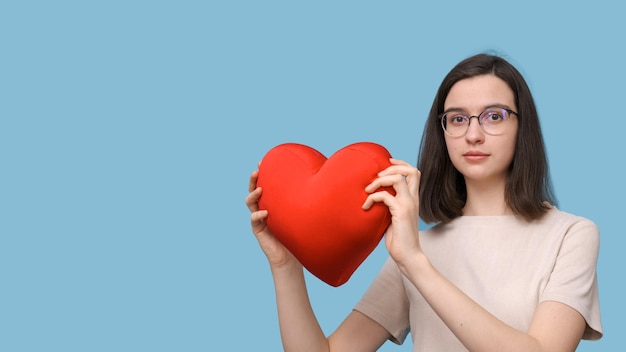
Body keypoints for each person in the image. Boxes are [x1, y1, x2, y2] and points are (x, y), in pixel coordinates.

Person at [245, 53, 603, 351]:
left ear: (522, 127)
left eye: (494, 116)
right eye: (457, 119)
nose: (473, 134)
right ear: (442, 132)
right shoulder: (418, 249)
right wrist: (285, 265)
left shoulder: (571, 235)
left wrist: (416, 263)